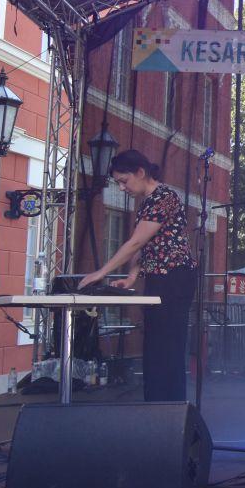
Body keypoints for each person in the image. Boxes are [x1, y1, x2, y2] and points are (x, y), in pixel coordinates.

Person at [78, 149, 197, 402]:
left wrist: (101, 272)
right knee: (155, 346)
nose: (122, 188)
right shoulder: (148, 203)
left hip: (175, 279)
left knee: (168, 348)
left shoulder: (163, 197)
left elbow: (135, 242)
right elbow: (144, 246)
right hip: (160, 278)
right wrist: (132, 277)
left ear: (140, 173)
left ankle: (170, 409)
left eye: (124, 181)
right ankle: (156, 407)